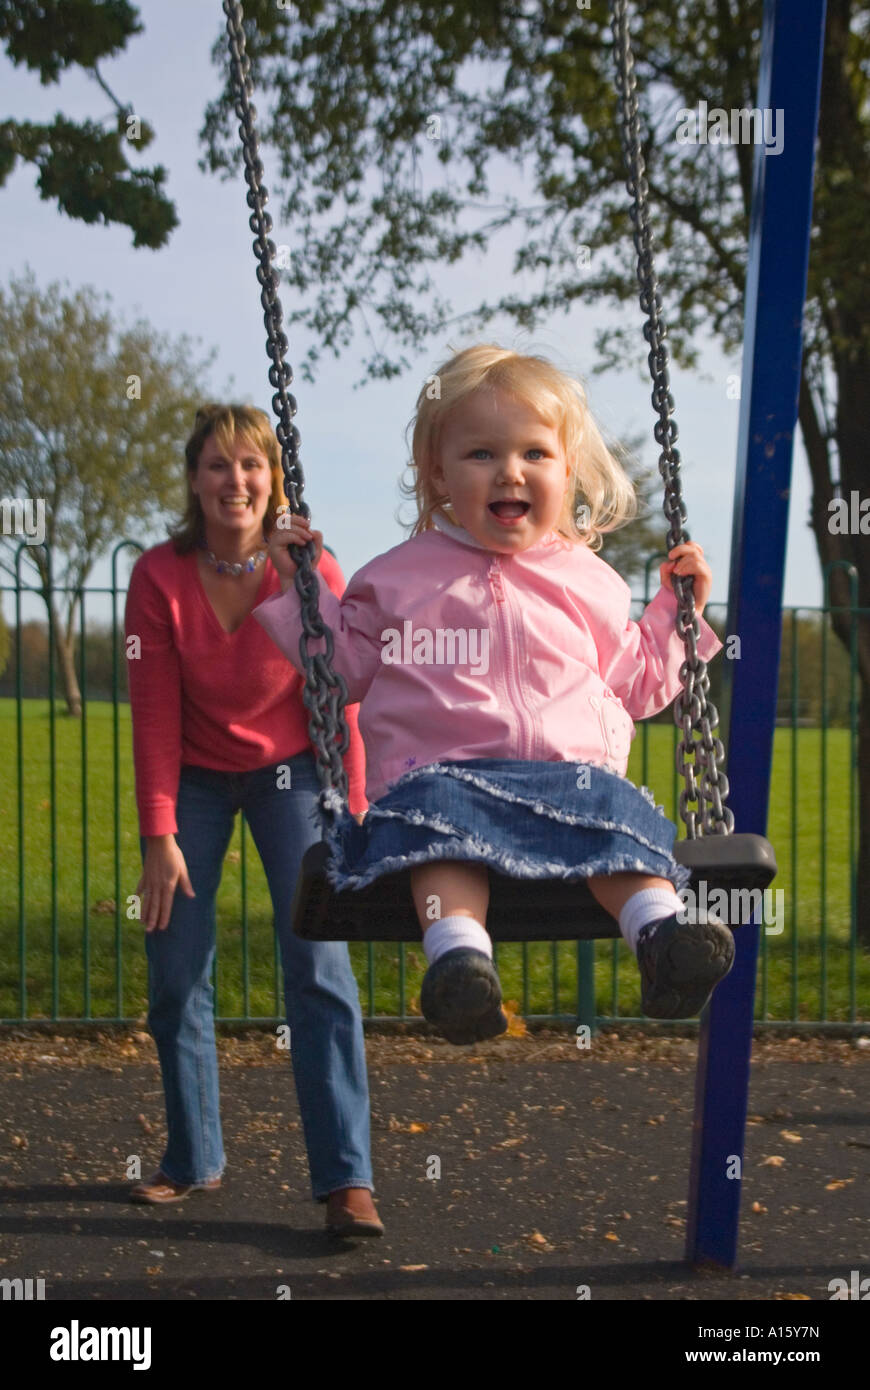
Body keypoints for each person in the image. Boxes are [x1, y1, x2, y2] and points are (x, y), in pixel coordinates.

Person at [253, 346, 733, 1045]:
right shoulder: (397, 578)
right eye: (481, 454)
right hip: (447, 776)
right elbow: (344, 667)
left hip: (571, 780)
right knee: (437, 835)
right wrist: (303, 590)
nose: (510, 470)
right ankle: (461, 967)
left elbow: (635, 685)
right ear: (438, 474)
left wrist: (674, 618)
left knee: (620, 825)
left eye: (535, 453)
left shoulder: (589, 580)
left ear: (567, 473)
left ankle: (664, 941)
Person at [124, 402, 383, 1235]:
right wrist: (159, 836)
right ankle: (192, 1155)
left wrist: (351, 808)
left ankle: (348, 1180)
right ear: (194, 480)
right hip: (197, 776)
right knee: (175, 965)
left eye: (251, 466)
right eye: (216, 466)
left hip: (292, 773)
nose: (235, 481)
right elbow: (154, 714)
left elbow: (338, 695)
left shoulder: (311, 567)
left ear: (273, 479)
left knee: (318, 966)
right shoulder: (158, 576)